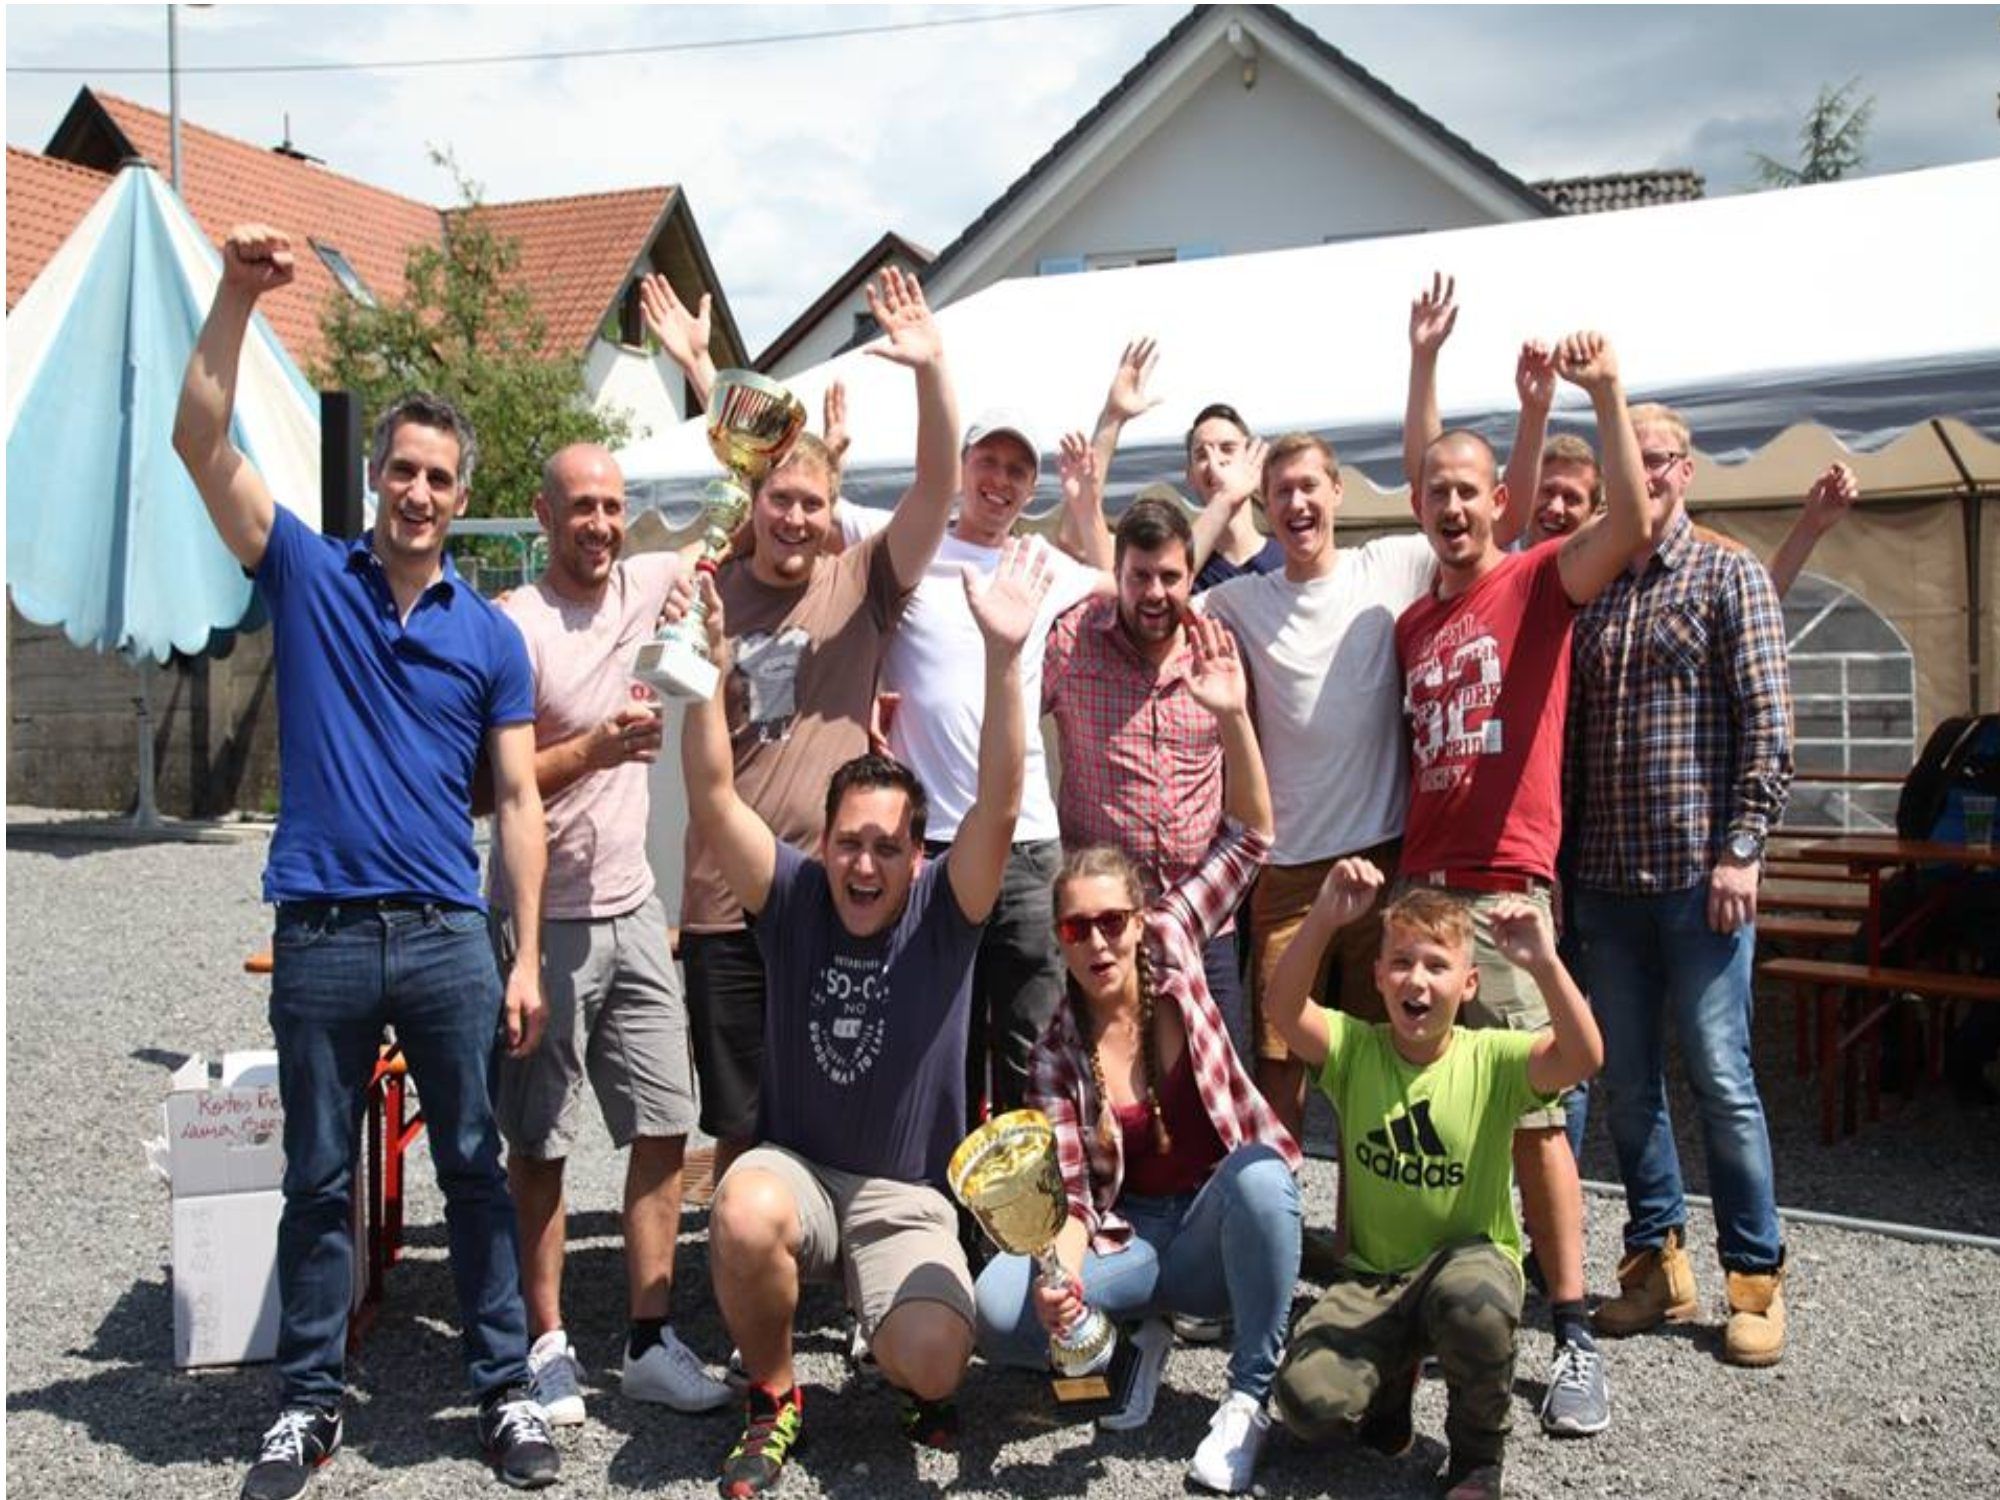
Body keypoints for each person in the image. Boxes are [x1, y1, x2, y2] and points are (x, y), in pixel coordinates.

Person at [173, 225, 558, 1495]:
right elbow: (200, 442)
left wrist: (526, 957)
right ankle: (306, 1405)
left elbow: (514, 799)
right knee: (319, 1178)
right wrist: (234, 296)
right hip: (326, 936)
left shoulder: (491, 636)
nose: (418, 494)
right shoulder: (305, 572)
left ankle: (503, 1395)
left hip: (450, 935)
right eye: (403, 471)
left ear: (459, 496)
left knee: (473, 1172)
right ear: (378, 479)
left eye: (441, 479)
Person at [682, 539, 1052, 1497]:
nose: (864, 866)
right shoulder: (795, 894)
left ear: (916, 856)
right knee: (741, 1207)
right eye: (850, 843)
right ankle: (774, 1396)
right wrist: (707, 665)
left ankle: (904, 1366)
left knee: (933, 1358)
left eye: (888, 848)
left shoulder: (944, 909)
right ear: (825, 843)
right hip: (798, 1169)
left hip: (907, 1194)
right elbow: (714, 794)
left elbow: (1003, 802)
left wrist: (1005, 660)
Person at [640, 267, 961, 1184]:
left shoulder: (859, 584)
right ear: (757, 502)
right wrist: (705, 376)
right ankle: (753, 1296)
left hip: (838, 894)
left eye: (812, 504)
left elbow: (938, 485)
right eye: (779, 498)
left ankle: (856, 1282)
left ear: (832, 518)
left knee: (848, 1091)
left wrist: (931, 371)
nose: (794, 515)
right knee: (742, 1116)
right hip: (727, 900)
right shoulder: (706, 588)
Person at [1394, 320, 1651, 1440]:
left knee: (1532, 1121)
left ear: (1498, 500)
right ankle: (1434, 1307)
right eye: (1435, 493)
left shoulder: (1541, 578)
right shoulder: (1412, 621)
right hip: (1421, 896)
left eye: (1468, 491)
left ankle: (1572, 1333)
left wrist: (1601, 395)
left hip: (1502, 899)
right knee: (1425, 1117)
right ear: (1420, 508)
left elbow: (1632, 524)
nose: (1452, 507)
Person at [976, 612, 1300, 1494]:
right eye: (1076, 927)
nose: (1097, 942)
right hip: (1130, 1239)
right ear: (1061, 937)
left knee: (1266, 1176)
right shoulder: (1055, 1050)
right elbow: (1074, 1201)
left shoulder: (1178, 942)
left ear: (1138, 916)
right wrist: (1062, 1288)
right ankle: (1130, 1340)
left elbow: (1253, 837)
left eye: (1111, 921)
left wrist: (1232, 718)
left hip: (1209, 1225)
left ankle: (1246, 1399)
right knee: (1000, 1310)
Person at [485, 444, 731, 1421]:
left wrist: (703, 374)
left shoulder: (647, 582)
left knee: (667, 1118)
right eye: (580, 507)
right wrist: (590, 751)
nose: (598, 523)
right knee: (540, 1138)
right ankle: (544, 1340)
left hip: (635, 906)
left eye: (612, 508)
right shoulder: (513, 626)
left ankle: (646, 1338)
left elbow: (740, 504)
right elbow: (486, 790)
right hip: (540, 918)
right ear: (542, 515)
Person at [1565, 400, 1795, 1367]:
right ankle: (1655, 1265)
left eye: (1660, 462)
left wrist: (1742, 850)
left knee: (1722, 1078)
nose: (1646, 477)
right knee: (1627, 1086)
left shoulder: (1728, 573)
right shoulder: (1600, 586)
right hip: (1607, 887)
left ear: (1686, 469)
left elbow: (1771, 729)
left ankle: (1757, 1278)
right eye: (1634, 463)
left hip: (1701, 887)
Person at [1264, 864, 1603, 1500]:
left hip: (1466, 1264)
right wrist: (1324, 919)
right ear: (1378, 976)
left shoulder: (1492, 1058)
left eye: (1436, 966)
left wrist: (1545, 964)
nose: (1416, 979)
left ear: (1468, 982)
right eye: (1400, 962)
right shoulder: (1355, 1049)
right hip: (1374, 1279)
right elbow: (1282, 1009)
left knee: (1474, 1306)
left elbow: (1583, 1056)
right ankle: (1391, 1391)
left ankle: (1477, 1459)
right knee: (1306, 1403)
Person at [848, 412, 1112, 1123]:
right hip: (930, 842)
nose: (1000, 481)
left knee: (1035, 1042)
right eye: (988, 463)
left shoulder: (1039, 564)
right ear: (961, 467)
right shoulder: (907, 542)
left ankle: (1038, 1216)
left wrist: (1089, 500)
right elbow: (794, 502)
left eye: (1017, 471)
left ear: (1032, 490)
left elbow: (1124, 585)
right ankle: (941, 1216)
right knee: (938, 1044)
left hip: (1026, 844)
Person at [1199, 432, 1436, 1140]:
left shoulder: (1391, 564)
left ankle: (1365, 1239)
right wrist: (1223, 499)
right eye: (1281, 493)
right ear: (1266, 510)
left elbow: (1480, 522)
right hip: (1286, 870)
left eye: (1309, 486)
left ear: (1338, 490)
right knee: (1279, 1063)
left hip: (1380, 862)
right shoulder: (1242, 600)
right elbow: (1163, 581)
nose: (1297, 503)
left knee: (1377, 1065)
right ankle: (1281, 1237)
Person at [1042, 498, 1252, 1051]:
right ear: (1116, 575)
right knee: (1113, 1092)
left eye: (1170, 576)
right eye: (1140, 576)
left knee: (1218, 1093)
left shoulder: (1217, 650)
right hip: (1103, 929)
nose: (1155, 593)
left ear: (1191, 576)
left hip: (1203, 920)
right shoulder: (1070, 642)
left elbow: (1249, 776)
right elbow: (1001, 725)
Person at [1060, 337, 1278, 591]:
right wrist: (1112, 418)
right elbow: (1074, 542)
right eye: (1200, 455)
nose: (1214, 462)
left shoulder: (1291, 556)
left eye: (1227, 448)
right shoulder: (1165, 564)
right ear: (1191, 477)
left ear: (1254, 460)